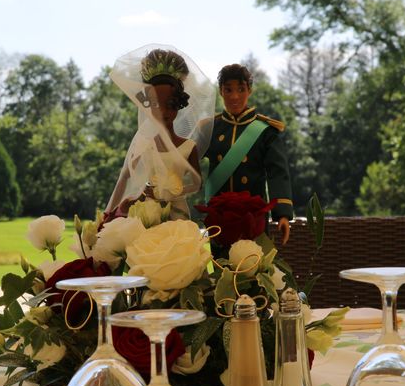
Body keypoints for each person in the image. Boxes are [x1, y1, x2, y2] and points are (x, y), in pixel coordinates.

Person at [105, 45, 215, 220]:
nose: (164, 112)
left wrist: (172, 193)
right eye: (156, 105)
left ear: (179, 105)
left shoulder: (187, 146)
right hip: (148, 213)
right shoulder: (144, 143)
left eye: (170, 105)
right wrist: (108, 214)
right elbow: (125, 178)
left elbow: (197, 183)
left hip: (178, 213)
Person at [204, 63, 293, 244]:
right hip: (219, 217)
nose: (235, 96)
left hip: (253, 218)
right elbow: (188, 161)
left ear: (250, 90)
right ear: (221, 91)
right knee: (220, 269)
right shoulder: (210, 129)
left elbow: (277, 173)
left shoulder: (265, 131)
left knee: (254, 268)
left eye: (241, 89)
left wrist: (282, 214)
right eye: (228, 90)